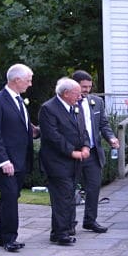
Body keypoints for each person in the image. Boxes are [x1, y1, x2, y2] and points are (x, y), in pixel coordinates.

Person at [0, 63, 37, 252]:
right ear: (17, 80)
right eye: (28, 80)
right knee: (10, 195)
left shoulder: (20, 100)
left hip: (21, 159)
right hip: (5, 161)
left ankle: (3, 236)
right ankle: (8, 238)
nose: (30, 84)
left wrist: (40, 130)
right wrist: (3, 160)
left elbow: (22, 127)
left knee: (11, 197)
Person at [38, 77, 90, 246]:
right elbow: (53, 136)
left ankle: (62, 230)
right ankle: (61, 233)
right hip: (57, 162)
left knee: (69, 195)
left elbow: (83, 130)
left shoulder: (76, 107)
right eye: (77, 93)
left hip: (75, 162)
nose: (80, 96)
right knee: (62, 197)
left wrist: (86, 147)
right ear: (66, 93)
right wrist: (71, 152)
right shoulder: (48, 109)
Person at [71, 70, 119, 234]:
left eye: (89, 87)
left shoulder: (97, 102)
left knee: (94, 187)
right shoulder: (68, 102)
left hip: (92, 152)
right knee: (71, 189)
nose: (86, 90)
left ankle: (90, 220)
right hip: (73, 153)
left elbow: (103, 124)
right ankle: (69, 223)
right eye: (83, 87)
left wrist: (111, 138)